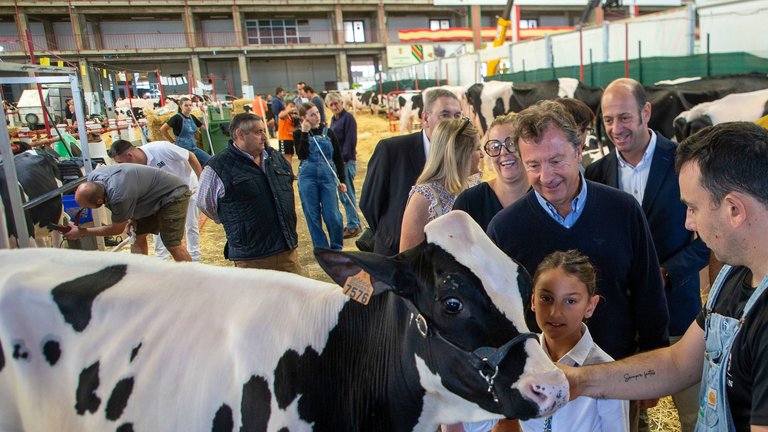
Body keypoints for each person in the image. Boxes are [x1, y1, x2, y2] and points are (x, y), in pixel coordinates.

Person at [566, 122, 768, 432]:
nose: (689, 223)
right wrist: (577, 380)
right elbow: (678, 363)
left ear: (734, 210)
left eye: (692, 207)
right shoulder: (732, 276)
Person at [486, 100, 669, 361]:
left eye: (556, 161)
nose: (547, 176)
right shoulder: (504, 229)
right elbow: (497, 315)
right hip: (541, 380)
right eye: (534, 165)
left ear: (578, 151)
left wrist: (652, 361)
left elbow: (648, 291)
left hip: (616, 370)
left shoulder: (623, 210)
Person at [585, 78, 711, 432]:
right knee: (627, 419)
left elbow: (706, 242)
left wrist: (668, 273)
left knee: (693, 415)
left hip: (677, 317)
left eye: (624, 118)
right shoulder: (596, 173)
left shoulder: (684, 163)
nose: (615, 129)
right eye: (608, 120)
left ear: (646, 112)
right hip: (620, 320)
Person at [517, 249, 630, 432]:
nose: (555, 312)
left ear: (590, 306)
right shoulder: (517, 361)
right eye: (546, 298)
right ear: (532, 301)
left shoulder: (606, 373)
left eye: (570, 301)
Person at [360, 88, 463, 256]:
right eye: (445, 115)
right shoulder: (391, 150)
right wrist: (390, 234)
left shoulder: (460, 156)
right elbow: (369, 203)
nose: (453, 122)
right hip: (395, 255)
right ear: (425, 118)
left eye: (457, 116)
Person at [197, 113, 301, 273]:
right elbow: (206, 204)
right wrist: (232, 221)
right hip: (251, 257)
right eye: (258, 132)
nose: (264, 136)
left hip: (287, 250)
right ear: (240, 134)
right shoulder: (217, 167)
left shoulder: (275, 158)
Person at [65, 164, 192, 262]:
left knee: (171, 242)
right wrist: (129, 218)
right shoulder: (93, 177)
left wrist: (82, 232)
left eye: (87, 206)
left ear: (99, 201)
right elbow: (133, 194)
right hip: (147, 196)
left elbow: (116, 230)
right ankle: (139, 276)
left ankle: (195, 280)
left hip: (173, 193)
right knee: (137, 236)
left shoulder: (119, 196)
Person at [108, 139, 203, 262]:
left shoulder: (161, 148)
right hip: (161, 199)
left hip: (187, 188)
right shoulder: (133, 170)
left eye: (120, 162)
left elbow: (190, 156)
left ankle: (195, 258)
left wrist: (201, 181)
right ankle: (161, 259)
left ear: (130, 155)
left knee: (191, 224)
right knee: (158, 229)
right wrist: (133, 218)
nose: (120, 166)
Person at [399, 118, 482, 252]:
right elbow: (407, 258)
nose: (482, 154)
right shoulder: (424, 197)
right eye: (477, 148)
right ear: (461, 153)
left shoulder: (475, 184)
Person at [453, 112, 529, 231]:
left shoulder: (545, 197)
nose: (503, 152)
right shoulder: (469, 202)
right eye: (495, 146)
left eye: (511, 143)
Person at [293, 102, 347, 250]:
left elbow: (337, 158)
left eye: (317, 113)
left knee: (333, 215)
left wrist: (342, 180)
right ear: (304, 118)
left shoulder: (328, 132)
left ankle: (336, 248)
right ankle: (322, 250)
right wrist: (304, 133)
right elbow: (301, 154)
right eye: (312, 114)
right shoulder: (298, 133)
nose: (317, 116)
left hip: (327, 177)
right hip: (307, 178)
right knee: (312, 215)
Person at [326, 92, 362, 239]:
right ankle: (353, 222)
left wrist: (345, 159)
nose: (335, 106)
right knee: (343, 194)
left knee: (347, 193)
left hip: (346, 161)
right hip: (337, 161)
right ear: (328, 107)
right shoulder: (333, 120)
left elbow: (350, 140)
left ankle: (354, 225)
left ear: (342, 102)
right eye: (331, 105)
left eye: (337, 103)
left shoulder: (349, 118)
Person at [160, 96, 211, 166]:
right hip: (182, 149)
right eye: (186, 105)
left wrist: (204, 113)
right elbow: (162, 129)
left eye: (190, 105)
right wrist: (172, 141)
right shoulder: (176, 118)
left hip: (193, 147)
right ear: (181, 106)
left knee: (209, 160)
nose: (189, 107)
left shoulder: (192, 117)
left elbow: (205, 127)